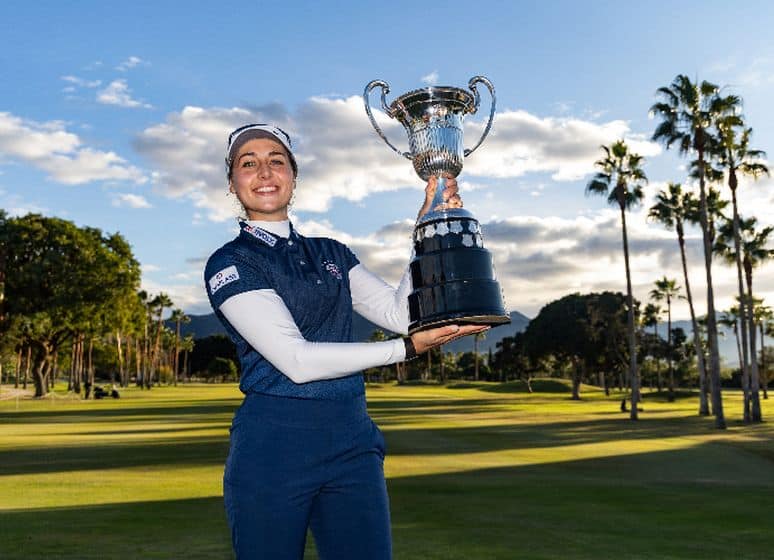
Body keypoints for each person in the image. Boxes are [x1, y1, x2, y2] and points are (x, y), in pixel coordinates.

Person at [204, 123, 487, 560]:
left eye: (276, 161)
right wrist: (408, 348)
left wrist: (427, 228)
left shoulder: (332, 253)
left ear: (293, 177)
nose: (264, 172)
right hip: (275, 444)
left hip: (352, 438)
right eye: (248, 163)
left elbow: (399, 313)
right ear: (232, 182)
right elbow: (296, 360)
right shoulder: (232, 261)